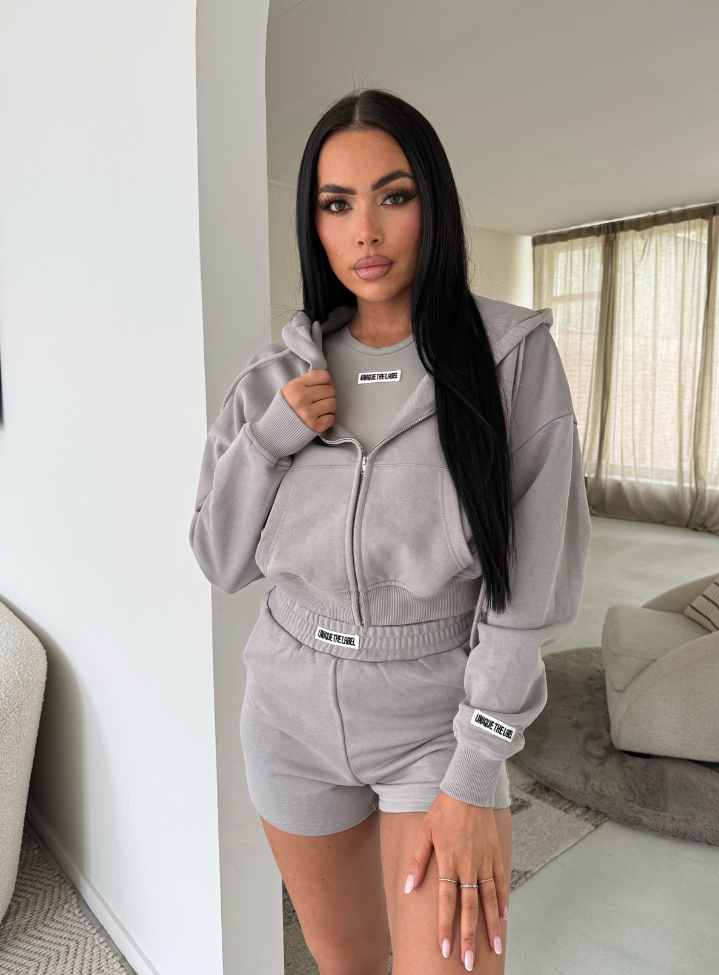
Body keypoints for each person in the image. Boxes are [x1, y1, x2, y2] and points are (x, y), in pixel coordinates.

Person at [190, 89, 590, 975]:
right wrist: (269, 439)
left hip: (433, 717)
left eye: (393, 196)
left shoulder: (511, 357)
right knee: (347, 964)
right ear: (315, 224)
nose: (365, 231)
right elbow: (219, 558)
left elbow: (533, 584)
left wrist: (479, 765)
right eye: (337, 204)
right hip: (287, 710)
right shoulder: (271, 375)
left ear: (431, 204)